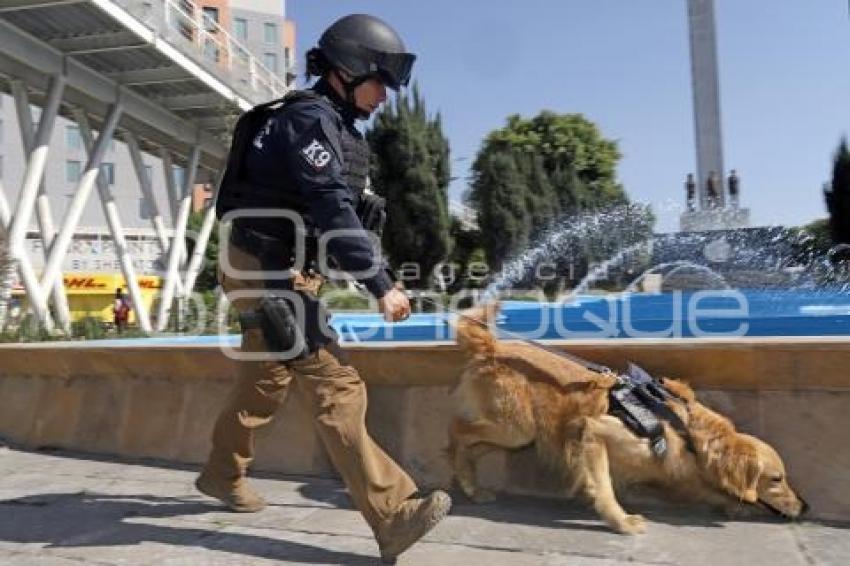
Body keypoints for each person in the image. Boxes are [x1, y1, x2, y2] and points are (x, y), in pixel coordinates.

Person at [197, 14, 450, 563]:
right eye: (380, 81)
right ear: (347, 70)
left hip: (273, 264)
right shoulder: (308, 121)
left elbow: (331, 210)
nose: (386, 94)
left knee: (264, 381)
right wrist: (380, 284)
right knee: (337, 381)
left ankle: (222, 474)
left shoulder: (330, 123)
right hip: (263, 269)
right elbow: (331, 207)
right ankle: (393, 513)